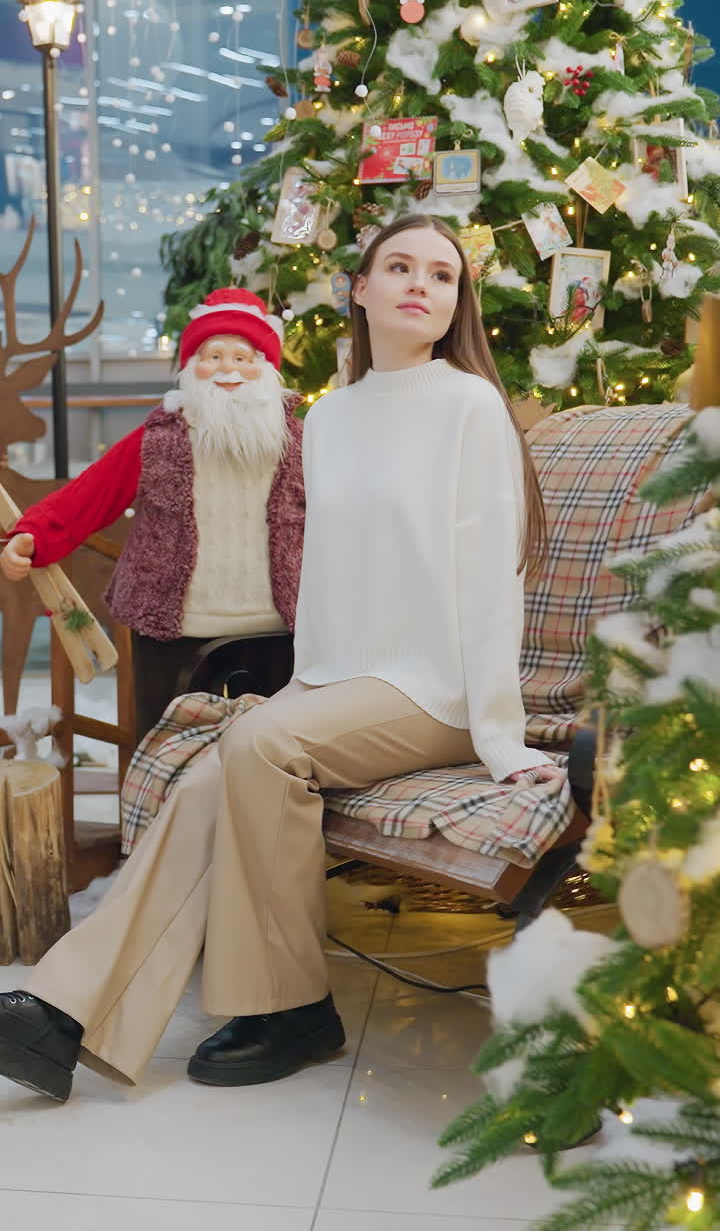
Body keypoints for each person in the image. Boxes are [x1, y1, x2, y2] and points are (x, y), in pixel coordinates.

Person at [0, 213, 564, 1103]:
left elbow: (492, 574)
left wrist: (498, 734)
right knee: (214, 775)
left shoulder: (468, 403)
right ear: (360, 289)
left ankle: (295, 1009)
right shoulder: (331, 420)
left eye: (444, 276)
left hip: (441, 689)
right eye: (401, 267)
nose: (423, 284)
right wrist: (302, 689)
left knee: (258, 746)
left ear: (458, 302)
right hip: (347, 684)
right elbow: (328, 577)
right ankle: (60, 1016)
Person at [0, 287, 305, 738]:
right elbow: (91, 494)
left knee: (276, 749)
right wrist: (34, 535)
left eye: (243, 358)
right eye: (213, 355)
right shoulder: (158, 440)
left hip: (279, 631)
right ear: (189, 369)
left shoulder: (300, 443)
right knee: (165, 747)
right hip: (173, 629)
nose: (227, 370)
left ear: (266, 370)